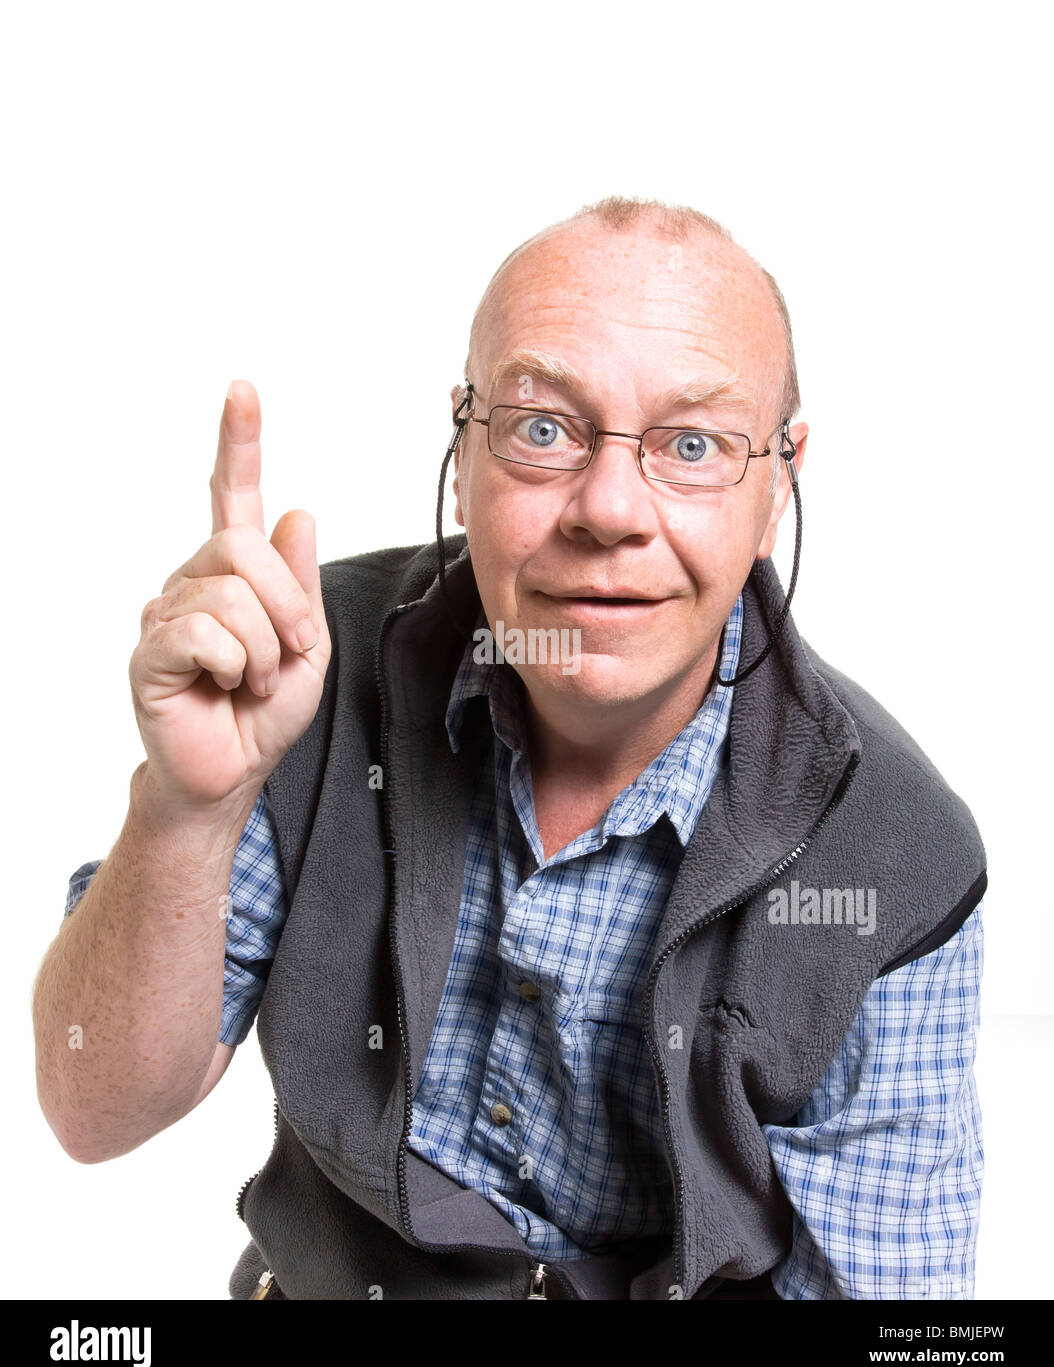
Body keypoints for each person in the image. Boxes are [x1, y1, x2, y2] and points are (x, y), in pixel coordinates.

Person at [35, 196, 986, 1301]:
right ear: (462, 443)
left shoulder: (890, 853)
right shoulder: (302, 672)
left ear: (778, 478)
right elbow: (92, 1106)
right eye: (544, 428)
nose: (610, 509)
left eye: (691, 444)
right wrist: (184, 810)